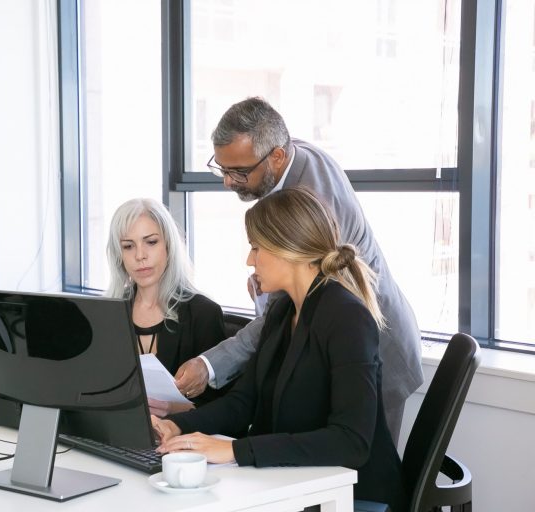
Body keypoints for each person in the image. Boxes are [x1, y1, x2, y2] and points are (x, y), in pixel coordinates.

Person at [174, 97, 422, 443]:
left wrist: (210, 365)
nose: (227, 182)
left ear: (276, 157)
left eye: (239, 172)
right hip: (336, 341)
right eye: (222, 167)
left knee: (360, 472)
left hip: (376, 345)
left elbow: (347, 447)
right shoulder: (287, 157)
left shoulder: (313, 201)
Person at [154, 188, 407, 512]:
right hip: (295, 485)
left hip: (352, 496)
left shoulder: (347, 318)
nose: (249, 260)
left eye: (256, 248)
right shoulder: (283, 311)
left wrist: (234, 451)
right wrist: (180, 428)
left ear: (289, 249)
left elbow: (350, 441)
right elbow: (244, 401)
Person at [106, 198, 227, 415]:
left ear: (169, 246)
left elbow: (222, 406)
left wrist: (172, 409)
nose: (140, 255)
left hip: (182, 441)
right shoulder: (108, 312)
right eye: (128, 246)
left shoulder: (203, 314)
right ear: (119, 255)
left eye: (151, 242)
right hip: (117, 434)